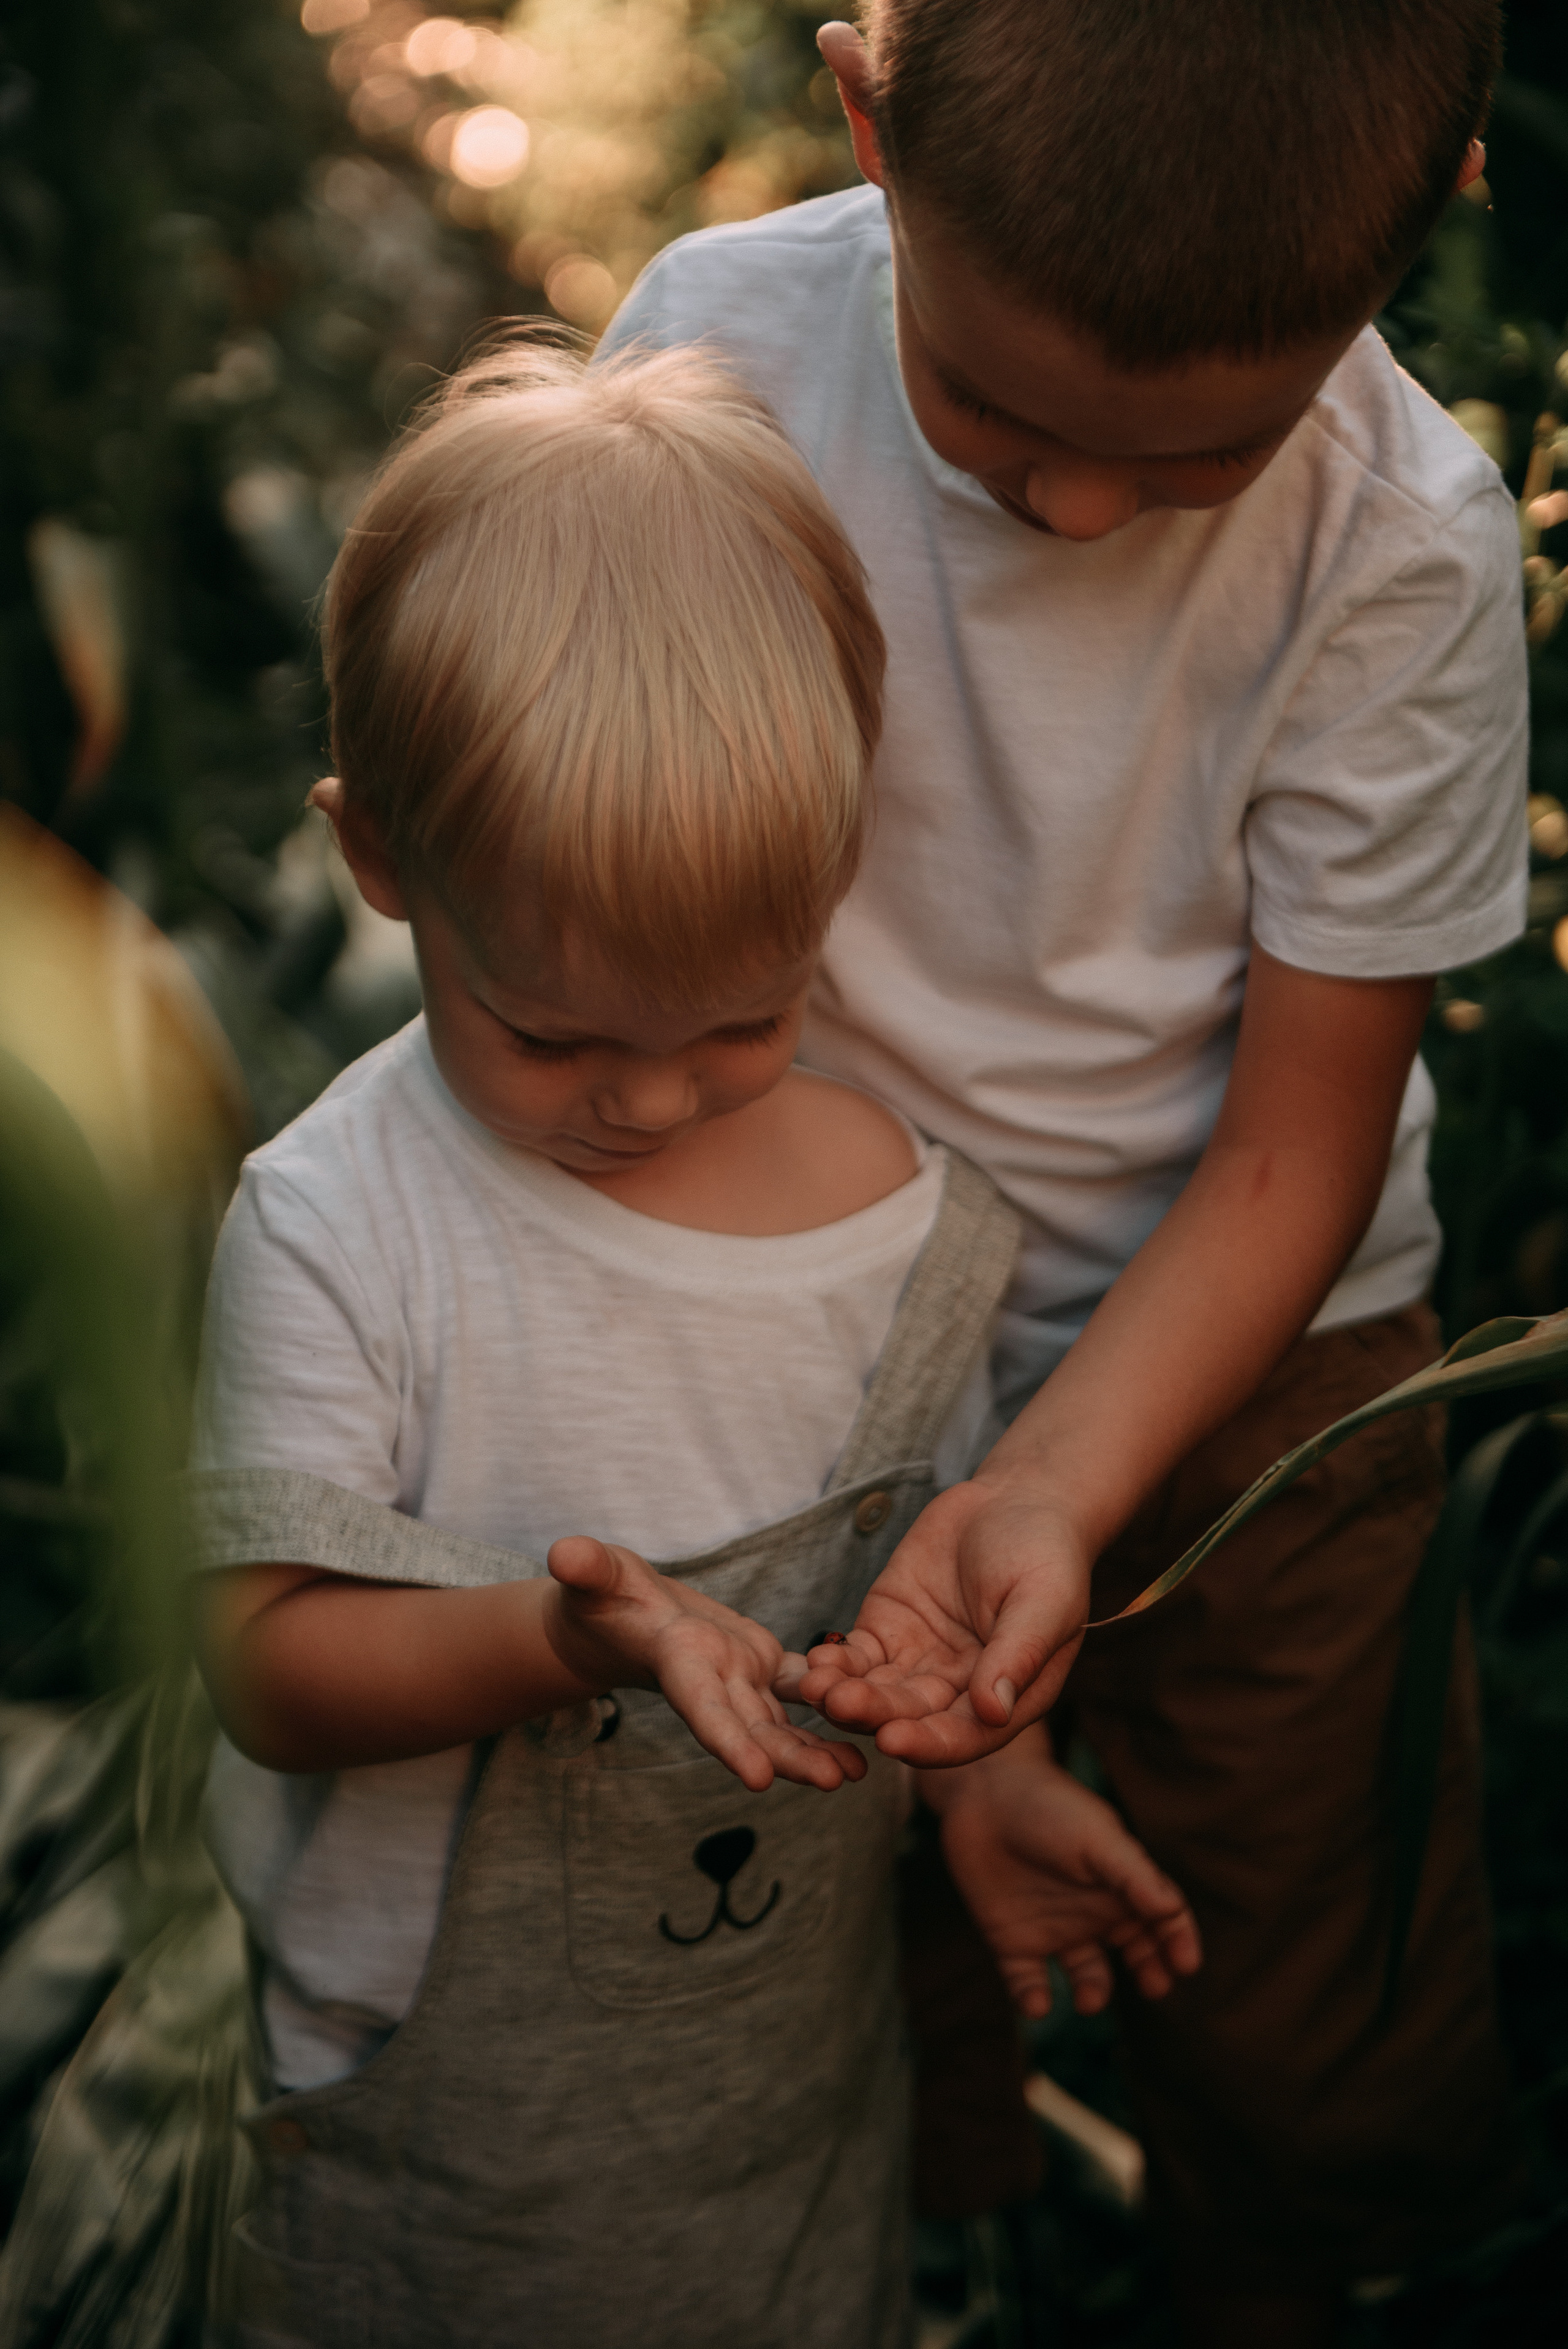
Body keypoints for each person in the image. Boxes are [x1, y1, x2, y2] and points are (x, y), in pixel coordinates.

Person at [598, 3, 1531, 2339]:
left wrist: (1050, 1489)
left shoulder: (1398, 543)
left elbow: (1298, 1145)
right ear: (866, 122)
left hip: (1260, 1370)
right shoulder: (708, 367)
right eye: (998, 416)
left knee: (1305, 1962)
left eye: (1202, 449)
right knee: (828, 1926)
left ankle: (1302, 2266)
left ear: (1442, 220)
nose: (1088, 508)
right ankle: (936, 2255)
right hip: (801, 1308)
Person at [186, 342, 1199, 2349]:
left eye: (742, 1018)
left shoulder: (910, 1231)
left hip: (781, 2126)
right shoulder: (342, 1222)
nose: (647, 1101)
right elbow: (267, 1660)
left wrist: (993, 1782)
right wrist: (561, 1641)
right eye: (551, 1033)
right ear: (383, 859)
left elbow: (931, 1581)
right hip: (423, 2151)